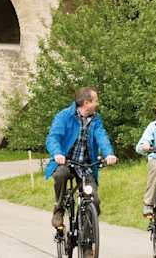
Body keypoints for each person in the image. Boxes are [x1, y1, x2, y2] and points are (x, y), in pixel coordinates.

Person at [45, 86, 118, 231]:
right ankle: (59, 209)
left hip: (85, 166)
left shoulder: (96, 119)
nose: (97, 103)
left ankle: (85, 238)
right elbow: (53, 137)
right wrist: (57, 153)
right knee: (61, 174)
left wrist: (109, 153)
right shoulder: (64, 116)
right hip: (66, 162)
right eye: (95, 100)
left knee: (94, 202)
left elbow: (102, 136)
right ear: (86, 103)